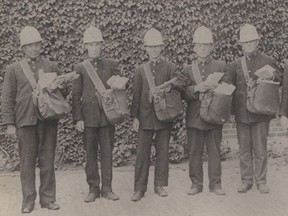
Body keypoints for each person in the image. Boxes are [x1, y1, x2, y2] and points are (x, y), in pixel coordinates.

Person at [2, 26, 66, 213]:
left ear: (41, 45)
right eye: (29, 46)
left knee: (48, 160)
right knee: (27, 163)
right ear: (23, 49)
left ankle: (48, 199)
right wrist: (9, 123)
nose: (33, 48)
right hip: (25, 121)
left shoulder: (51, 66)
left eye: (36, 44)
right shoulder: (13, 69)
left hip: (48, 121)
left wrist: (60, 86)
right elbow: (7, 97)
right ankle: (28, 201)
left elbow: (62, 95)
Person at [225, 24, 282, 194]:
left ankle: (261, 181)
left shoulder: (268, 60)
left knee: (260, 149)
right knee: (244, 149)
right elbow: (229, 84)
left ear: (257, 41)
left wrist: (271, 75)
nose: (249, 45)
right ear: (241, 45)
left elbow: (280, 77)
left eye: (251, 42)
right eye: (245, 43)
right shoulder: (235, 65)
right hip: (242, 113)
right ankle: (246, 181)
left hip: (261, 112)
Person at [130, 28, 183, 202]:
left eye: (156, 46)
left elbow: (182, 83)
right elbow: (136, 95)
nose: (154, 50)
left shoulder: (170, 67)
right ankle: (139, 188)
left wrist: (171, 86)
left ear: (162, 47)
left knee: (163, 152)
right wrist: (135, 117)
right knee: (142, 153)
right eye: (150, 47)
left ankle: (159, 185)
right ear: (145, 48)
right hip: (145, 117)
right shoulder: (140, 70)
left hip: (164, 116)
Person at [72, 25, 120, 202]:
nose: (94, 48)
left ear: (102, 45)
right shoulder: (80, 67)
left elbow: (119, 90)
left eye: (97, 45)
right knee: (90, 154)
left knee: (107, 153)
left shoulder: (111, 65)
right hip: (89, 118)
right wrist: (78, 118)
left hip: (107, 117)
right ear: (85, 46)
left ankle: (107, 188)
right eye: (90, 45)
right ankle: (93, 188)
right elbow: (76, 95)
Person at [183, 26, 226, 196]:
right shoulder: (187, 69)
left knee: (215, 150)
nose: (202, 48)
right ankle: (196, 184)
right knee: (195, 152)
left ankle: (215, 184)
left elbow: (229, 89)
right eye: (199, 45)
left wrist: (218, 88)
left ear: (211, 46)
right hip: (194, 117)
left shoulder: (220, 66)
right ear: (194, 47)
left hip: (214, 115)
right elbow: (183, 93)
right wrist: (196, 88)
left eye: (206, 45)